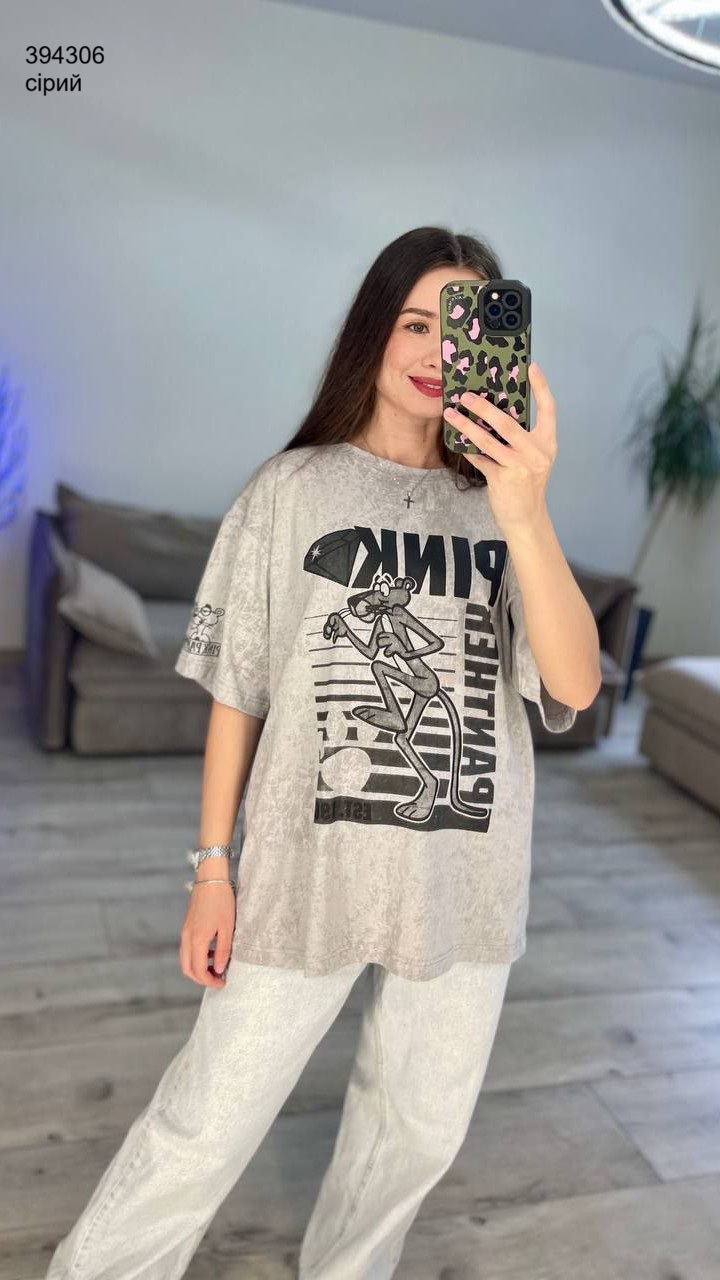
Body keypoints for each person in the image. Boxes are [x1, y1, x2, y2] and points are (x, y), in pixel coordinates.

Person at [47, 225, 599, 1279]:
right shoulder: (289, 490)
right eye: (416, 323)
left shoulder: (507, 510)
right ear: (372, 331)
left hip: (465, 876)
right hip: (304, 870)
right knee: (204, 1120)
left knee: (413, 1137)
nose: (437, 352)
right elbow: (239, 691)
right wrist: (213, 870)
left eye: (463, 330)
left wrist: (527, 514)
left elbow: (574, 686)